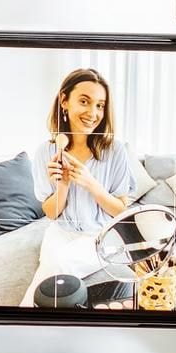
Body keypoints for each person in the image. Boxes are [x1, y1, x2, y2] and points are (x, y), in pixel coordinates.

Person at [31, 67, 137, 233]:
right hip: (63, 237)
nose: (93, 113)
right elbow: (51, 214)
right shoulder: (45, 152)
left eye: (100, 105)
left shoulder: (115, 150)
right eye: (84, 101)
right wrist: (63, 186)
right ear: (64, 101)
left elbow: (121, 211)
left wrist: (91, 184)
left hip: (105, 236)